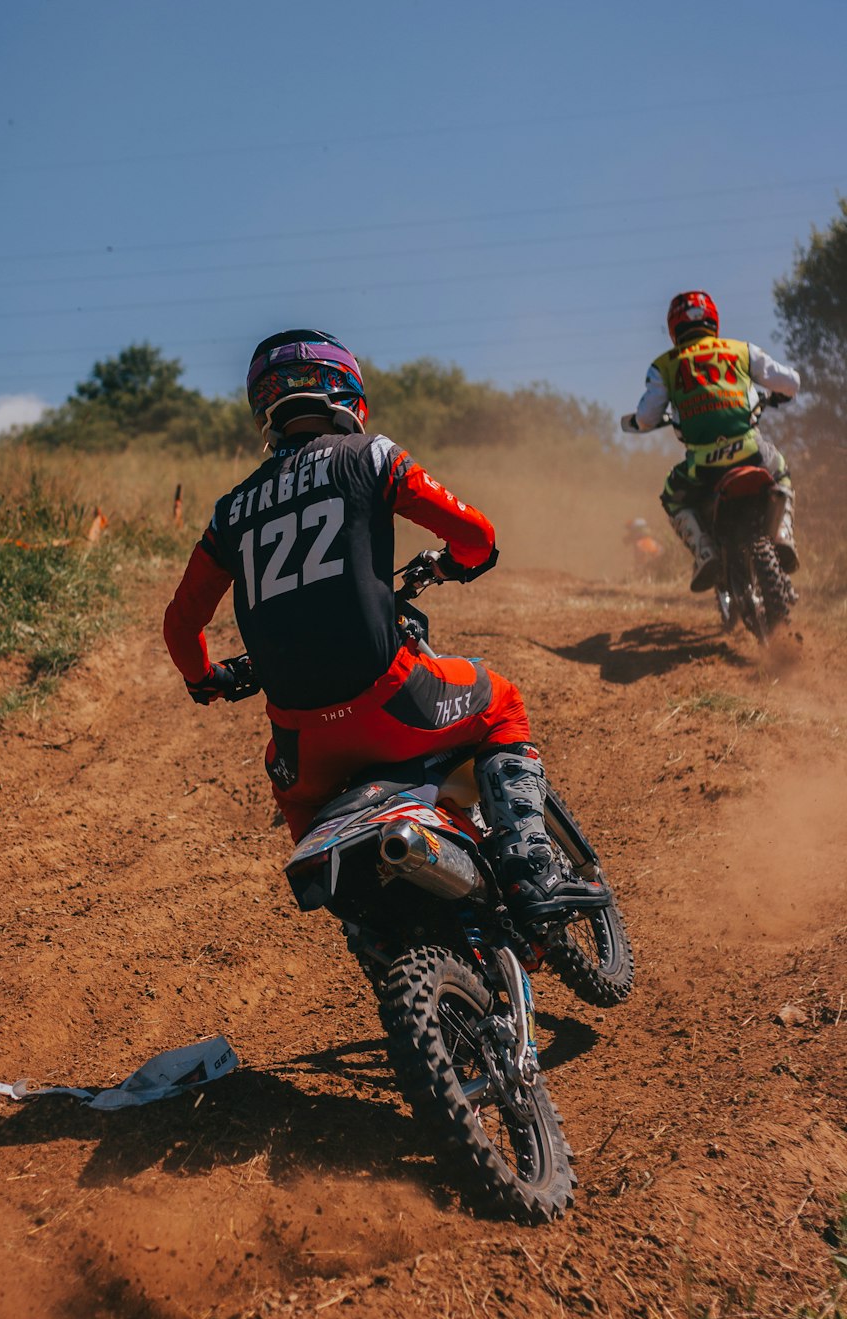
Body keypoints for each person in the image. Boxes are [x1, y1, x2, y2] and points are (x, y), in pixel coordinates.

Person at [164, 328, 610, 929]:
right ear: (346, 392)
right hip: (394, 701)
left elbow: (180, 624)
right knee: (501, 701)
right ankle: (532, 867)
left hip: (303, 748)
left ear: (263, 409)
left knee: (306, 818)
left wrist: (209, 677)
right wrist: (456, 563)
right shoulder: (370, 456)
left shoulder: (231, 512)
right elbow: (477, 538)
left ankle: (370, 931)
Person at [621, 291, 801, 591]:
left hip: (704, 464)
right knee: (780, 472)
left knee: (671, 496)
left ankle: (705, 553)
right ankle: (783, 534)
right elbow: (791, 383)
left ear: (673, 328)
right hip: (751, 452)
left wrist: (639, 423)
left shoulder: (664, 365)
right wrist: (783, 392)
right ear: (713, 320)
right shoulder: (741, 350)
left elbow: (648, 416)